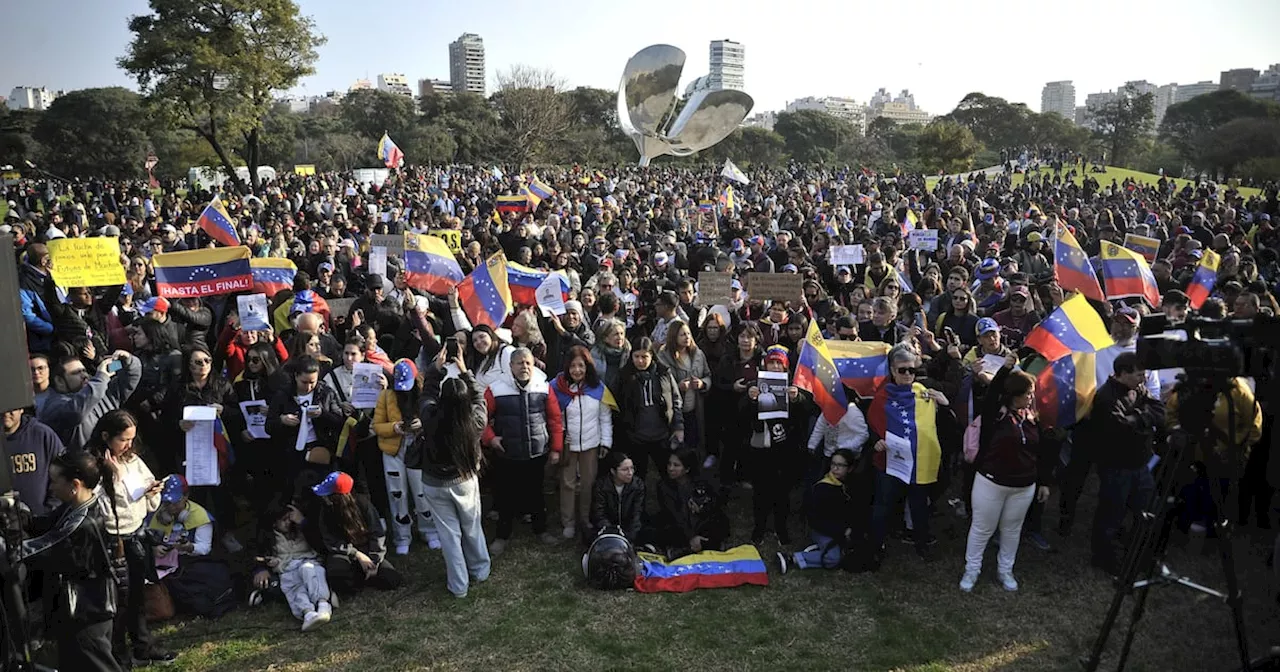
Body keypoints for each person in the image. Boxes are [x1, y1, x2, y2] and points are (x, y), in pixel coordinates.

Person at [13, 451, 123, 671]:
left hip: (89, 613)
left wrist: (9, 551)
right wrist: (18, 509)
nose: (51, 487)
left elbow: (45, 546)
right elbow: (42, 525)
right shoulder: (74, 507)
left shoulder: (84, 523)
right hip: (74, 610)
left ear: (74, 484)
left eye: (54, 481)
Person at [83, 410, 175, 668]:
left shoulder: (132, 459)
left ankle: (142, 645)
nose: (129, 445)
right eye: (123, 439)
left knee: (137, 595)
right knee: (118, 603)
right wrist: (112, 476)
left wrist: (151, 491)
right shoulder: (94, 464)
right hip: (113, 539)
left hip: (137, 533)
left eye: (132, 439)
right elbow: (97, 504)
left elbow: (146, 491)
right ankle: (119, 655)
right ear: (106, 436)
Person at [959, 356, 1056, 593]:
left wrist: (1043, 482)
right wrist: (1006, 368)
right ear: (1014, 395)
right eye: (1027, 393)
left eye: (1032, 393)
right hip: (991, 483)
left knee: (1012, 530)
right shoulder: (996, 415)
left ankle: (1005, 570)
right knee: (982, 528)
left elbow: (1042, 453)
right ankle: (972, 570)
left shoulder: (1033, 419)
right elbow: (992, 393)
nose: (1031, 397)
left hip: (1023, 487)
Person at [417, 347, 491, 598]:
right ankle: (480, 570)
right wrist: (464, 369)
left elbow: (426, 392)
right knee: (472, 525)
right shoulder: (474, 421)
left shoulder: (429, 416)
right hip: (464, 480)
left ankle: (459, 586)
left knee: (449, 535)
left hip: (434, 483)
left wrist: (436, 369)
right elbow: (480, 398)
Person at [867, 344, 949, 563]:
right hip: (889, 463)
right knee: (883, 506)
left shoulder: (923, 393)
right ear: (892, 370)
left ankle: (922, 544)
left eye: (911, 370)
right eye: (902, 370)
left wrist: (944, 404)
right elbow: (873, 426)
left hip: (918, 463)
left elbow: (941, 426)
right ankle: (876, 546)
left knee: (920, 505)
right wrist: (877, 442)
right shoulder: (882, 396)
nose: (907, 374)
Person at [481, 347, 565, 555]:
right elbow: (480, 418)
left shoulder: (544, 387)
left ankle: (541, 530)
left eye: (528, 363)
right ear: (511, 366)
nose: (524, 367)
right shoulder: (495, 389)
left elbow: (555, 420)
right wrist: (490, 439)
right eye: (519, 363)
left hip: (536, 453)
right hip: (507, 454)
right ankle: (502, 536)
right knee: (505, 497)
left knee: (537, 494)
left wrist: (556, 448)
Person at [1089, 352, 1165, 575]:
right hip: (1116, 467)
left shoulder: (1138, 389)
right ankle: (1104, 557)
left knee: (1147, 511)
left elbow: (1158, 410)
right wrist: (1144, 418)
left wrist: (1138, 418)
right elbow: (1120, 428)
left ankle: (1141, 555)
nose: (1143, 378)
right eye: (1138, 374)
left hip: (1140, 466)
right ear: (1122, 374)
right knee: (1112, 513)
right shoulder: (1106, 397)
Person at [372, 358, 439, 554]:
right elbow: (377, 426)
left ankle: (430, 531)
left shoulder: (424, 394)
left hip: (418, 448)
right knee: (397, 493)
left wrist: (422, 424)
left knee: (422, 491)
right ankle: (402, 536)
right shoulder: (385, 396)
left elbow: (435, 418)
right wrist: (394, 427)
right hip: (393, 450)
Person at [551, 346, 614, 542]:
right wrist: (561, 437)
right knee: (568, 483)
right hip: (569, 445)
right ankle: (568, 522)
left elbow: (605, 417)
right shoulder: (557, 387)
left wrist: (605, 441)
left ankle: (585, 519)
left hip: (591, 443)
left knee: (588, 482)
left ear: (588, 366)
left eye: (581, 366)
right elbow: (554, 417)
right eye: (573, 366)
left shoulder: (598, 388)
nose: (577, 370)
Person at [304, 471, 402, 594]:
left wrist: (374, 560)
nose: (325, 498)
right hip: (343, 552)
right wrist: (357, 554)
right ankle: (357, 577)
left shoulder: (363, 504)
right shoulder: (326, 510)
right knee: (337, 575)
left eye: (328, 494)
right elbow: (331, 540)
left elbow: (377, 533)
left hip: (368, 548)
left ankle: (364, 574)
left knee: (392, 579)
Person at [249, 499, 334, 631]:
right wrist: (267, 564)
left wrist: (302, 522)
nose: (287, 523)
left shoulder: (303, 529)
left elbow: (320, 543)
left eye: (289, 519)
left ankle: (323, 604)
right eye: (283, 520)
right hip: (286, 567)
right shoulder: (268, 537)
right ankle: (307, 613)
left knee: (309, 571)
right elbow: (257, 555)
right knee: (292, 584)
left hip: (307, 560)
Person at [40, 350, 141, 451]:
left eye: (84, 371)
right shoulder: (54, 405)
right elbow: (76, 413)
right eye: (76, 373)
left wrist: (128, 361)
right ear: (59, 381)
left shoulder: (103, 391)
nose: (84, 375)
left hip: (117, 456)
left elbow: (132, 376)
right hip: (85, 464)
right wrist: (101, 378)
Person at [615, 337, 684, 483]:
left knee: (668, 475)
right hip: (636, 437)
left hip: (662, 435)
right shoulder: (624, 376)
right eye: (637, 357)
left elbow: (676, 399)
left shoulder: (663, 373)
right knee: (638, 478)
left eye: (644, 357)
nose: (640, 361)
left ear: (652, 356)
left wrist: (678, 426)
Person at [777, 449, 858, 573]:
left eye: (840, 465)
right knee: (833, 558)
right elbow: (815, 520)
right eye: (833, 464)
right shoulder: (822, 488)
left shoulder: (851, 485)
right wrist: (842, 532)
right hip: (821, 530)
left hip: (842, 530)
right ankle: (792, 558)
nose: (835, 468)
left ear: (850, 468)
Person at [653, 448, 729, 558]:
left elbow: (715, 504)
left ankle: (690, 548)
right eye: (669, 464)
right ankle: (696, 546)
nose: (671, 468)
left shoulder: (701, 482)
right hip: (679, 525)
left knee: (718, 522)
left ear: (687, 468)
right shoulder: (663, 486)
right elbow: (673, 513)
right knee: (662, 527)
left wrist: (702, 508)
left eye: (676, 465)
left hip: (700, 523)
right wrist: (691, 537)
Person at [656, 320, 711, 453]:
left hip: (695, 408)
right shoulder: (664, 357)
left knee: (694, 445)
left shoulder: (698, 354)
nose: (687, 337)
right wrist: (678, 386)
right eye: (682, 335)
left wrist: (703, 383)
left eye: (688, 334)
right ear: (674, 336)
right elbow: (661, 382)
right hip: (675, 411)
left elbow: (708, 375)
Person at [2, 407, 65, 515]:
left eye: (11, 407)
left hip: (41, 524)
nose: (6, 412)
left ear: (21, 408)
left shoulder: (43, 435)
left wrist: (49, 513)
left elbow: (64, 475)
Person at [589, 451, 645, 541]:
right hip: (607, 528)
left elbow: (637, 513)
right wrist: (613, 532)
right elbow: (599, 514)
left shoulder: (637, 485)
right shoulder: (601, 485)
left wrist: (630, 535)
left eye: (632, 468)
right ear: (613, 471)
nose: (630, 473)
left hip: (629, 528)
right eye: (625, 469)